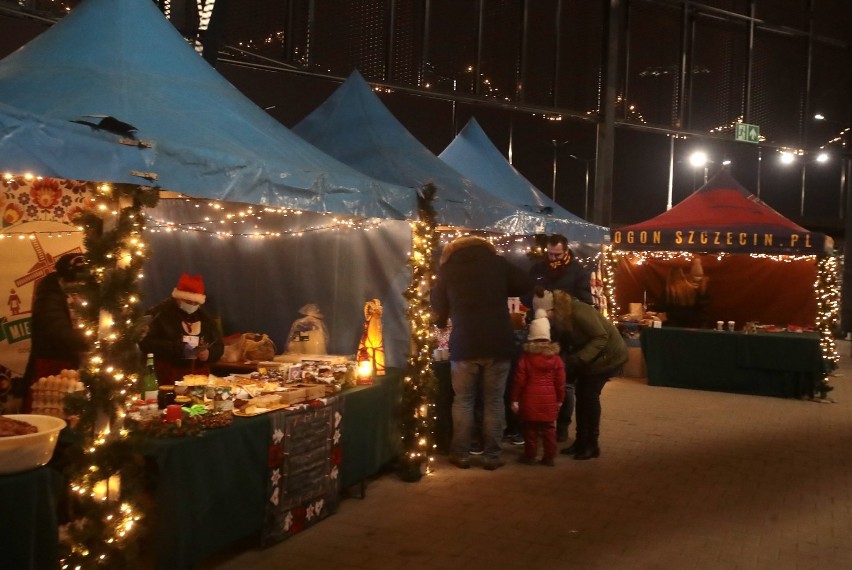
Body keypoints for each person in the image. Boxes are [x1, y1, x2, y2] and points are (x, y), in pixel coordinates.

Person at [430, 235, 533, 470]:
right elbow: (525, 283)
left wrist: (443, 320)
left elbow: (437, 305)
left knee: (463, 401)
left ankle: (461, 454)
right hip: (498, 343)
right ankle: (492, 456)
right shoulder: (498, 263)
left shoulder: (449, 269)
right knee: (494, 401)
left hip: (464, 343)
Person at [527, 234, 593, 443]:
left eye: (557, 254)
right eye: (550, 253)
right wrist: (533, 299)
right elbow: (524, 293)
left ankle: (562, 426)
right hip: (539, 333)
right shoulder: (538, 269)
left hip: (565, 334)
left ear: (566, 251)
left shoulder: (578, 272)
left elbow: (585, 302)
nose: (553, 257)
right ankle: (539, 426)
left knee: (565, 384)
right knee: (536, 380)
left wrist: (559, 308)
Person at [553, 289, 628, 460]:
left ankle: (592, 444)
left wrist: (579, 358)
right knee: (582, 396)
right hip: (593, 358)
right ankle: (581, 441)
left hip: (607, 357)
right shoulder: (564, 316)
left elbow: (600, 336)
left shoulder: (580, 311)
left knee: (589, 396)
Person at [21, 253, 90, 412]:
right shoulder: (51, 291)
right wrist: (91, 341)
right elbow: (55, 328)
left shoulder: (86, 293)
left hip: (79, 365)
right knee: (50, 410)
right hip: (53, 365)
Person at [139, 273, 224, 386]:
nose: (192, 305)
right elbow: (145, 343)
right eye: (189, 302)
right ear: (178, 298)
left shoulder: (206, 319)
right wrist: (178, 348)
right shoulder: (158, 315)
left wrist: (209, 354)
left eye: (196, 303)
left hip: (199, 378)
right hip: (167, 377)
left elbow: (218, 345)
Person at [511, 309, 565, 466]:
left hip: (529, 399)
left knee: (530, 430)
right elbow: (560, 381)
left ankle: (530, 455)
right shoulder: (556, 359)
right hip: (550, 399)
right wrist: (560, 399)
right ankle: (549, 457)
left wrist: (515, 399)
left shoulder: (526, 358)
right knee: (549, 429)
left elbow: (519, 380)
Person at [664, 258, 709, 328]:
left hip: (674, 324)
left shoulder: (670, 290)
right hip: (690, 324)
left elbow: (663, 306)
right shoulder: (691, 289)